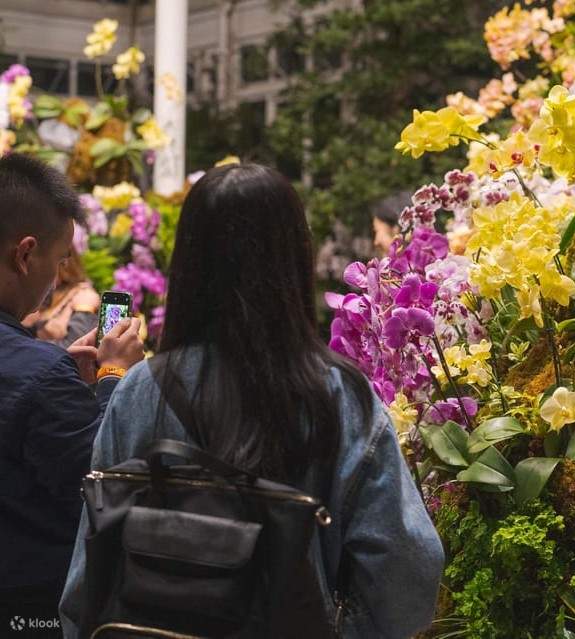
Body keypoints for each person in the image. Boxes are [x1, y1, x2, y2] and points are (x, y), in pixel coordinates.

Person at [61, 163, 444, 638]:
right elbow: (410, 572)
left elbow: (90, 570)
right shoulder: (341, 397)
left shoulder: (140, 391)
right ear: (293, 257)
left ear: (189, 264)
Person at [0, 154, 144, 624]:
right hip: (28, 609)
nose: (59, 278)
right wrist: (115, 379)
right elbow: (101, 484)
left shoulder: (41, 370)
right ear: (24, 255)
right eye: (60, 261)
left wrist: (61, 378)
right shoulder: (37, 372)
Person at [21, 249, 99, 348]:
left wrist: (84, 311)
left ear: (63, 265)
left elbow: (76, 347)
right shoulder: (51, 292)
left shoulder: (84, 296)